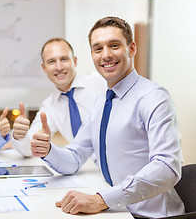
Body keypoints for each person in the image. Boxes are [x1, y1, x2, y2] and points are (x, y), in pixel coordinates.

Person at [31, 17, 184, 218]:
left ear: (131, 48)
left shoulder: (154, 97)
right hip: (116, 211)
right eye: (98, 48)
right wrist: (48, 150)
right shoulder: (101, 102)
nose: (106, 55)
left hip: (149, 215)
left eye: (114, 45)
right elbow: (75, 158)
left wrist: (101, 199)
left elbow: (166, 167)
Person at [11, 38, 105, 157]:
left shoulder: (102, 82)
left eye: (64, 59)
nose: (59, 67)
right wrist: (19, 136)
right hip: (86, 168)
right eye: (51, 62)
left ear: (74, 61)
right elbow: (30, 148)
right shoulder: (50, 106)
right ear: (44, 68)